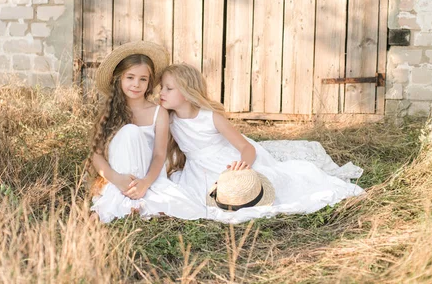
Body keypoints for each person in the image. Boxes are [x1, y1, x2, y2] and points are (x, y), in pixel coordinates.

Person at [160, 63, 365, 224]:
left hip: (227, 160)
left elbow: (246, 148)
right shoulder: (168, 119)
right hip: (198, 168)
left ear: (187, 93)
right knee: (201, 200)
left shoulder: (210, 118)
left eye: (168, 88)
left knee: (256, 189)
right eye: (162, 87)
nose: (161, 92)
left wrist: (244, 166)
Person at [89, 42, 206, 223]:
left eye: (143, 79)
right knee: (129, 132)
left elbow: (159, 155)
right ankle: (123, 200)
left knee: (191, 207)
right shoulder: (110, 112)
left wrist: (145, 183)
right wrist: (117, 179)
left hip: (146, 174)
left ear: (149, 83)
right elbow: (96, 155)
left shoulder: (159, 113)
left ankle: (120, 204)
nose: (136, 84)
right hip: (118, 175)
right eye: (130, 77)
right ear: (119, 79)